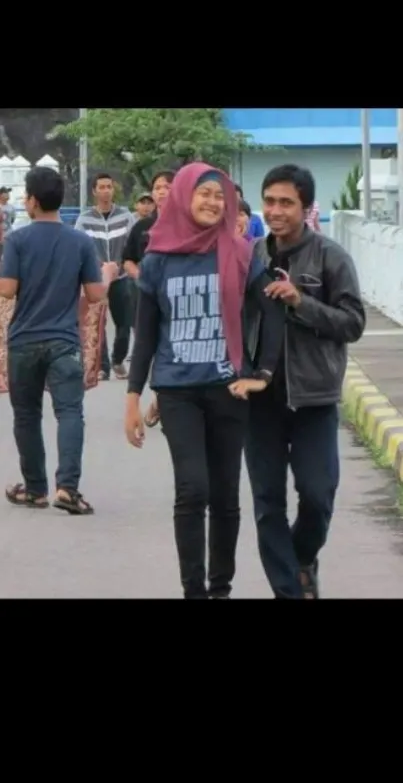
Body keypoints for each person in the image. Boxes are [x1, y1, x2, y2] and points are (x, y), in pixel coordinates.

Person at [124, 163, 286, 599]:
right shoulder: (157, 259)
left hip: (228, 390)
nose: (214, 202)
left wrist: (262, 375)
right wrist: (133, 397)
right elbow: (146, 335)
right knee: (192, 489)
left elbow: (272, 316)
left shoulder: (239, 253)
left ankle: (220, 589)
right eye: (205, 193)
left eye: (221, 195)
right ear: (182, 196)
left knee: (226, 495)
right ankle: (193, 590)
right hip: (177, 391)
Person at [243, 164, 366, 598]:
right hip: (260, 400)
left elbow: (353, 324)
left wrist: (300, 301)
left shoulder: (332, 257)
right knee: (267, 503)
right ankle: (289, 589)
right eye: (270, 201)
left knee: (317, 496)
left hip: (313, 397)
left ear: (306, 207)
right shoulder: (251, 256)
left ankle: (302, 556)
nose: (275, 211)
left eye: (286, 203)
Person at [0, 165, 117, 515]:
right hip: (65, 341)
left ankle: (35, 489)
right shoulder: (79, 241)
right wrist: (108, 275)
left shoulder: (17, 240)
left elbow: (7, 290)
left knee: (26, 415)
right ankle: (67, 488)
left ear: (32, 201)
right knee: (69, 413)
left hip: (23, 341)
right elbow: (95, 295)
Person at [122, 170, 175, 426]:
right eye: (157, 187)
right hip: (146, 297)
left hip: (177, 300)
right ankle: (160, 397)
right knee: (149, 345)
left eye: (167, 186)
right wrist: (142, 276)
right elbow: (128, 260)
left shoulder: (187, 226)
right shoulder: (142, 227)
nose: (161, 191)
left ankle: (162, 399)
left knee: (171, 348)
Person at [75, 172, 135, 380]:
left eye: (109, 186)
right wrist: (98, 265)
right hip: (96, 277)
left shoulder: (126, 216)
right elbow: (79, 246)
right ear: (94, 191)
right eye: (101, 187)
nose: (106, 191)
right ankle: (103, 367)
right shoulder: (85, 219)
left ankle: (118, 359)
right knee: (97, 321)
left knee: (124, 323)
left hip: (121, 277)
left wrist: (122, 264)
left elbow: (134, 243)